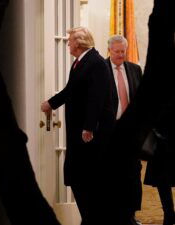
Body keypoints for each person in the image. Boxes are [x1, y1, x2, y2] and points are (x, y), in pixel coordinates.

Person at [41, 27, 115, 225]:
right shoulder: (81, 62)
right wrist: (51, 103)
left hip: (89, 134)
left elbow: (97, 99)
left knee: (85, 179)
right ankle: (90, 219)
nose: (67, 43)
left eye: (70, 40)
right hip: (78, 132)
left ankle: (92, 219)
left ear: (80, 42)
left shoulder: (96, 63)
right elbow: (70, 91)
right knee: (77, 176)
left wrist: (89, 127)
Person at [106, 35, 143, 224]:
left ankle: (131, 215)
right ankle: (115, 216)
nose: (120, 55)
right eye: (116, 51)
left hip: (131, 132)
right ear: (109, 50)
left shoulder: (135, 69)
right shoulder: (101, 70)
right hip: (109, 132)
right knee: (113, 175)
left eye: (123, 51)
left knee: (133, 175)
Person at [144, 102, 175, 225]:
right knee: (162, 180)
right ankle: (169, 214)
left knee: (163, 180)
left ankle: (169, 215)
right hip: (161, 139)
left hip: (163, 136)